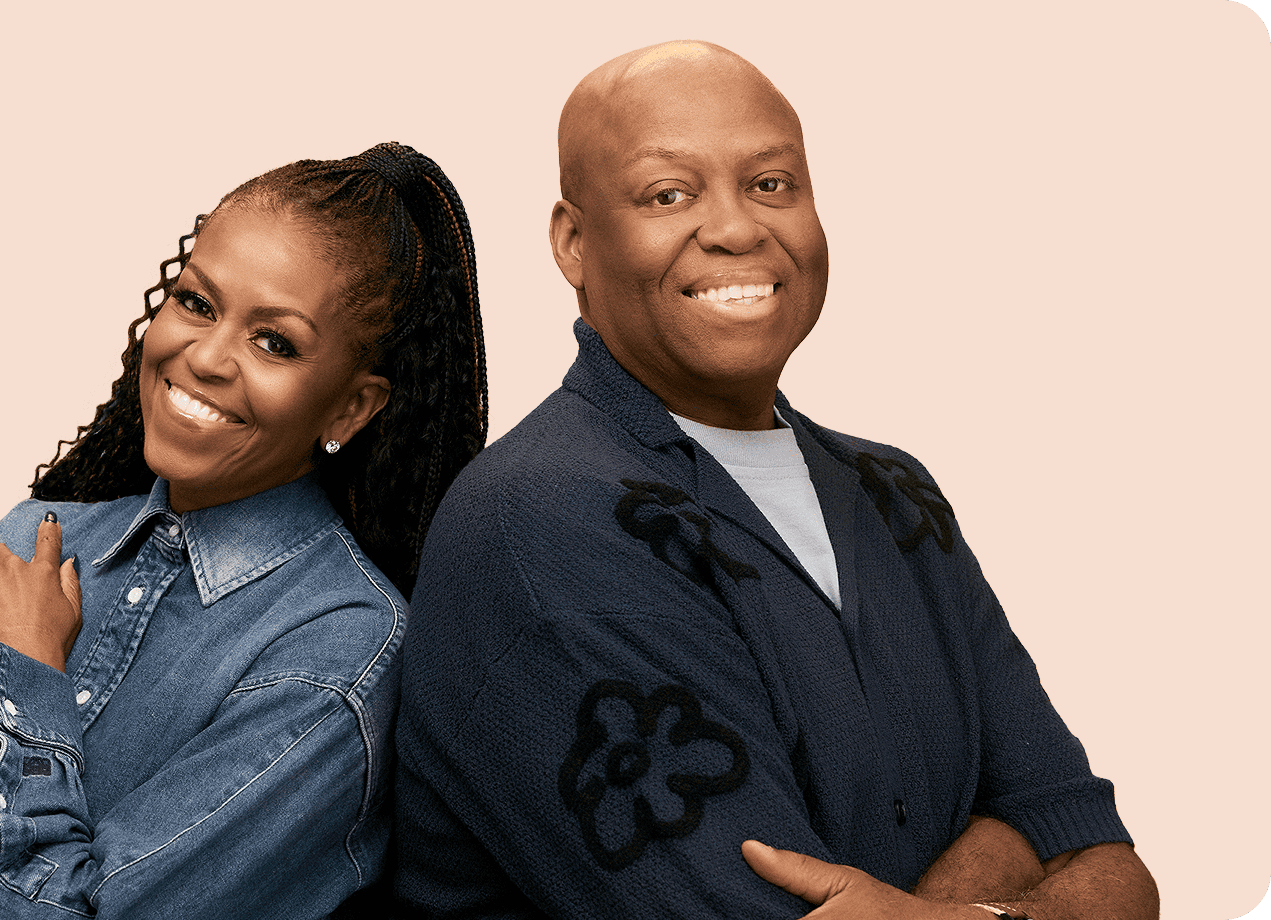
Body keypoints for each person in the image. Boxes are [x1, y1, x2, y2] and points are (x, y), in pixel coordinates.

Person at [392, 42, 1159, 920]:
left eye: (771, 184)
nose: (736, 229)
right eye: (668, 194)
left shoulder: (895, 493)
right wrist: (1011, 862)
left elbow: (1102, 855)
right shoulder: (541, 518)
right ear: (573, 242)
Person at [0, 141, 488, 919]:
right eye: (197, 302)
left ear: (351, 408)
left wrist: (26, 676)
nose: (205, 356)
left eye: (273, 341)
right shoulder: (27, 541)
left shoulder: (340, 656)